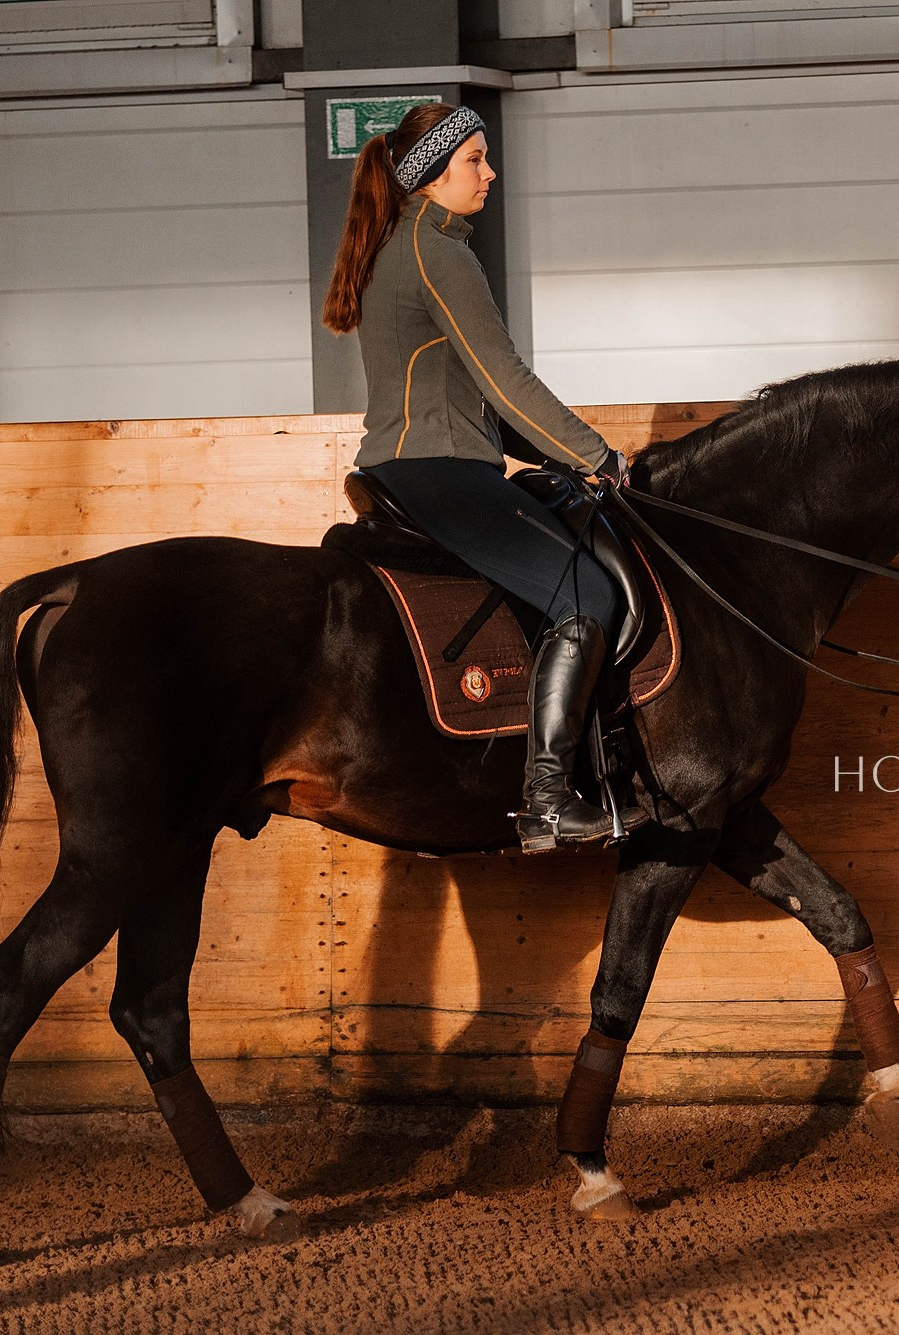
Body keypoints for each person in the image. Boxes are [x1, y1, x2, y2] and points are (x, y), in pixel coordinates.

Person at [321, 101, 642, 853]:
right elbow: (506, 382)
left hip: (417, 463)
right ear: (431, 175)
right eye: (474, 160)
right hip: (434, 469)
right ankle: (548, 802)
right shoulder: (438, 250)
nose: (489, 173)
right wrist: (598, 455)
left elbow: (480, 404)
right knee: (584, 593)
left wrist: (557, 457)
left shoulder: (406, 244)